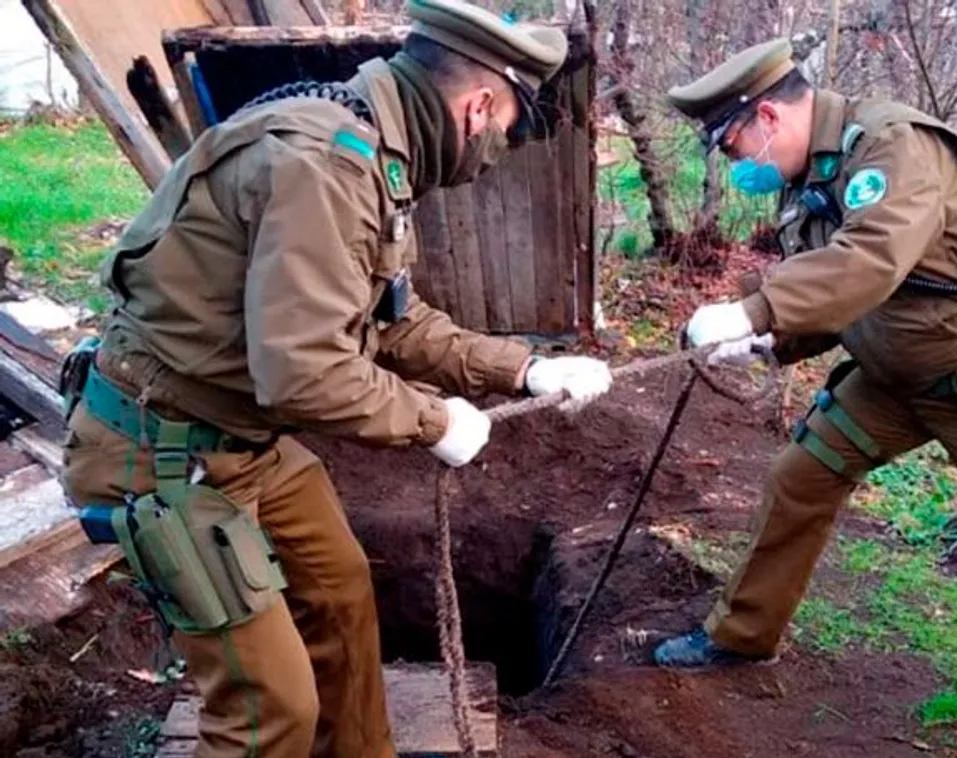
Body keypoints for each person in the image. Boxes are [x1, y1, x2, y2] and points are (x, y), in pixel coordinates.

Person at [57, 1, 611, 756]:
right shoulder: (325, 163)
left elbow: (389, 323)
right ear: (478, 107)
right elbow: (304, 373)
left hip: (239, 436)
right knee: (267, 709)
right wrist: (435, 421)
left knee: (340, 589)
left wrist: (524, 368)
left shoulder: (366, 151)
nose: (498, 151)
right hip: (162, 452)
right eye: (509, 129)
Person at [654, 38, 957, 758]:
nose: (739, 169)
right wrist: (761, 336)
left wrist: (756, 313)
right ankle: (741, 636)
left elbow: (870, 258)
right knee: (801, 478)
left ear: (766, 114)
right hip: (891, 379)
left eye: (734, 150)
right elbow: (827, 290)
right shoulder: (811, 175)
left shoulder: (893, 146)